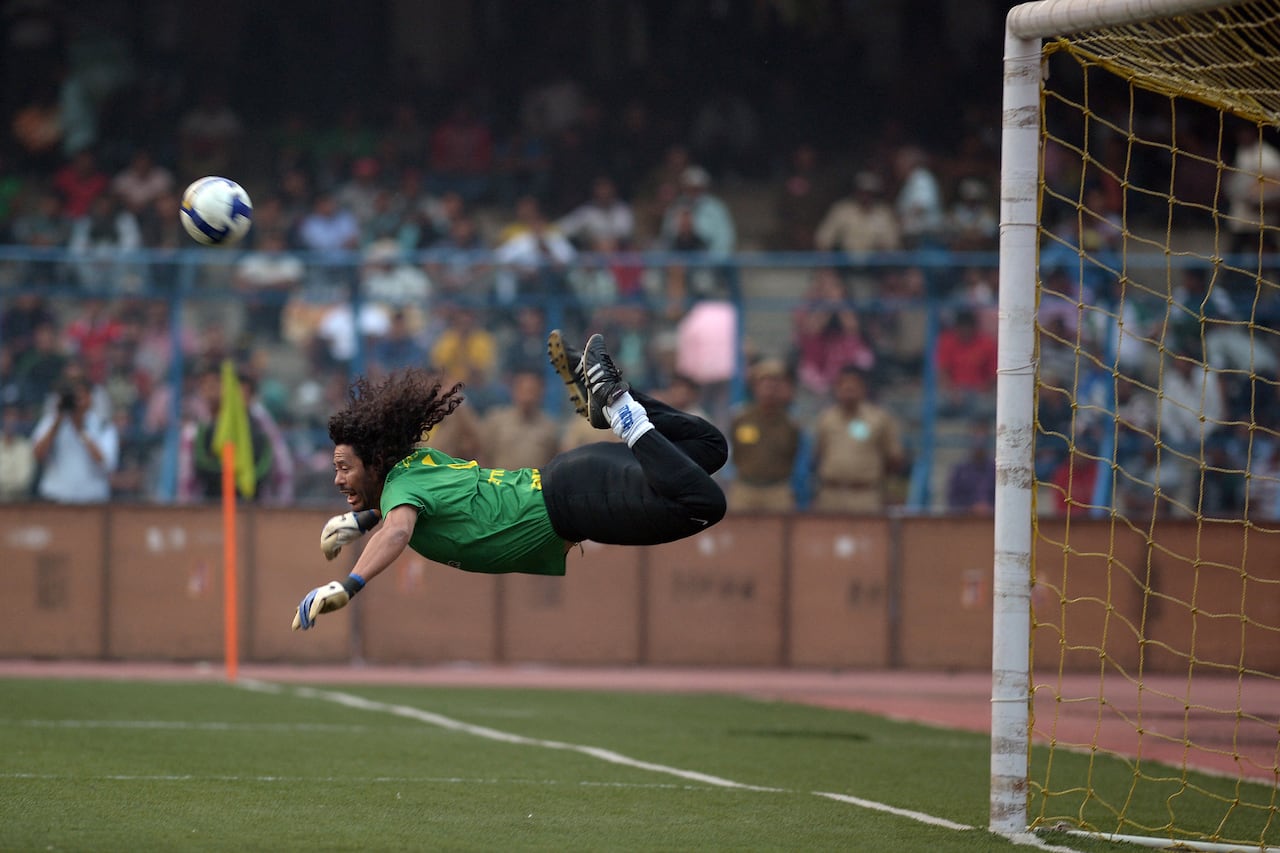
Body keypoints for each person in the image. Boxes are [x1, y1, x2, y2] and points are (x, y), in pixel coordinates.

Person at [292, 330, 728, 631]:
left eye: (345, 467)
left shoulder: (401, 492)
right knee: (710, 447)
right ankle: (613, 402)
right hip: (574, 477)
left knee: (704, 504)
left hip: (577, 502)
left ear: (376, 463)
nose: (336, 479)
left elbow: (400, 530)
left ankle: (618, 406)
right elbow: (409, 511)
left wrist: (349, 585)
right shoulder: (415, 464)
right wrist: (365, 519)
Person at [31, 375, 119, 503]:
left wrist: (81, 430)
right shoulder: (50, 422)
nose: (75, 403)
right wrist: (57, 422)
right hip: (55, 499)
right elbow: (37, 455)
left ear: (90, 398)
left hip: (92, 501)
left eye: (79, 398)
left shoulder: (102, 425)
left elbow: (106, 463)